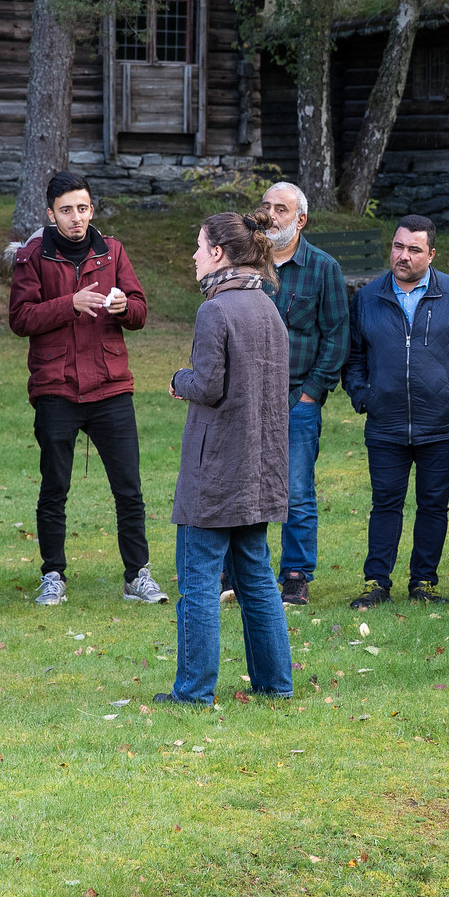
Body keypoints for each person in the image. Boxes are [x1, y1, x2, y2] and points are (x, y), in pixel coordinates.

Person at [9, 171, 166, 607]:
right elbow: (20, 318)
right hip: (56, 388)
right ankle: (53, 575)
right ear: (50, 213)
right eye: (66, 210)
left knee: (129, 488)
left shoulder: (112, 250)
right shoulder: (32, 256)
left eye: (82, 208)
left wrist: (123, 306)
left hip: (111, 387)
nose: (75, 218)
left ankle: (137, 575)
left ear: (91, 209)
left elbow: (140, 311)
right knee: (54, 488)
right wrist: (69, 304)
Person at [158, 211, 294, 705]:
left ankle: (193, 692)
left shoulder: (216, 310)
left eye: (199, 246)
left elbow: (210, 385)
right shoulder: (267, 308)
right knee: (257, 579)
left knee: (198, 584)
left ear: (218, 252)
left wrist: (179, 379)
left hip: (215, 471)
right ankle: (276, 685)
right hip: (260, 468)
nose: (194, 255)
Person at [342, 214, 449, 610]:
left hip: (441, 421)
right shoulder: (369, 297)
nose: (402, 256)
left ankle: (424, 581)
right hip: (385, 422)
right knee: (385, 503)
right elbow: (353, 355)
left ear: (431, 254)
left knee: (433, 504)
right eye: (397, 246)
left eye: (413, 249)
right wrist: (363, 395)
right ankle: (377, 582)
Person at [244, 181, 347, 607]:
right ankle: (243, 571)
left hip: (296, 399)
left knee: (297, 491)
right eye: (266, 206)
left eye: (281, 209)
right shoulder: (247, 263)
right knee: (245, 488)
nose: (270, 214)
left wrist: (311, 393)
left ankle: (296, 575)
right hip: (247, 399)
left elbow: (337, 336)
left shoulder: (324, 269)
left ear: (300, 219)